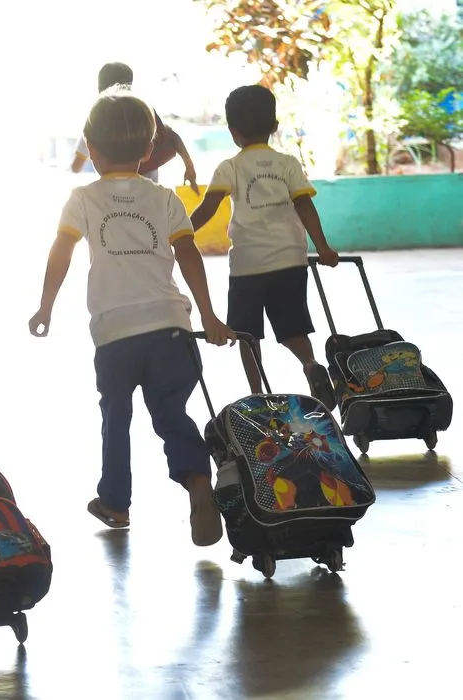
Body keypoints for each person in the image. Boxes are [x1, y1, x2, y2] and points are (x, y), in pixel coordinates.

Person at [28, 89, 236, 547]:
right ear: (148, 151)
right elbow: (188, 254)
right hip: (169, 327)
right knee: (171, 413)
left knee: (116, 416)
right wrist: (209, 315)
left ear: (91, 149)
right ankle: (199, 483)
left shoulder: (82, 198)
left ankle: (116, 503)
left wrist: (46, 306)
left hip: (115, 332)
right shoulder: (164, 199)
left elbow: (60, 251)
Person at [189, 84, 339, 409]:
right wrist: (323, 247)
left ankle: (258, 395)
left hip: (248, 265)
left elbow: (208, 207)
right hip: (290, 259)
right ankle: (311, 365)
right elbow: (305, 207)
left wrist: (182, 232)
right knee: (292, 327)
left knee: (246, 333)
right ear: (274, 126)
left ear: (233, 132)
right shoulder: (288, 164)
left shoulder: (229, 167)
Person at [71, 62, 199, 194]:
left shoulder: (98, 119)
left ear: (100, 87)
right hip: (148, 195)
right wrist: (190, 167)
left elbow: (76, 167)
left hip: (112, 197)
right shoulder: (144, 112)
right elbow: (173, 137)